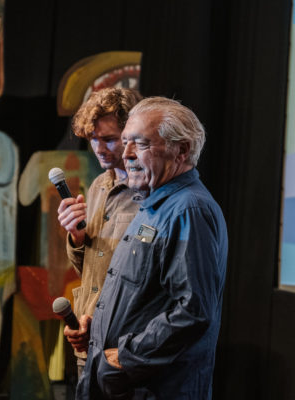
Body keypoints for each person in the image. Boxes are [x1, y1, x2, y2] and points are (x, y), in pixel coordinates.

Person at [74, 97, 228, 399]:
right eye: (126, 142)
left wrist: (126, 357)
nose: (127, 154)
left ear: (181, 150)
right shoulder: (154, 203)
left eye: (141, 144)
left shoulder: (188, 210)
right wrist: (100, 328)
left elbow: (193, 311)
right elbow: (145, 296)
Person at [57, 87, 142, 377]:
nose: (99, 148)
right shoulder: (98, 186)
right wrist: (76, 236)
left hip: (123, 348)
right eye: (93, 138)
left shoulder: (149, 191)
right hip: (88, 340)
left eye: (109, 139)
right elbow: (88, 269)